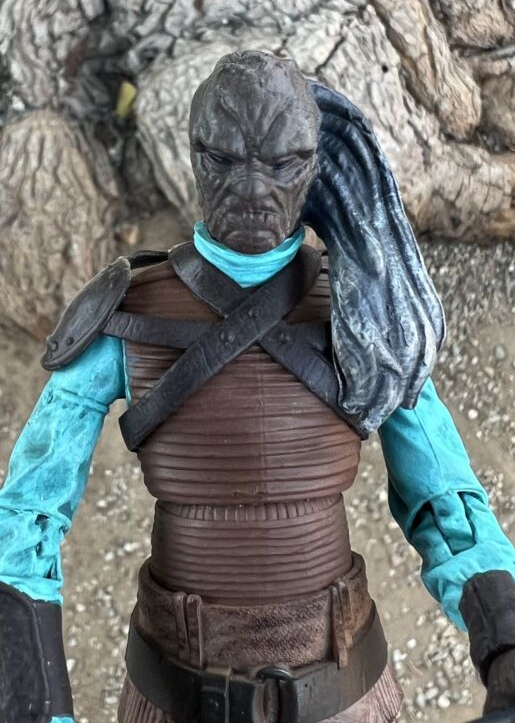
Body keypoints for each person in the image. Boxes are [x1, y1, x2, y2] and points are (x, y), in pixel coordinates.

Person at [1, 51, 514, 723]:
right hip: (174, 693)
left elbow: (445, 502)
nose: (251, 189)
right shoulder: (123, 313)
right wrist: (31, 701)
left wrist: (506, 647)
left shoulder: (368, 316)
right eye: (224, 160)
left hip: (346, 692)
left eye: (281, 163)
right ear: (194, 156)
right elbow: (27, 517)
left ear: (313, 163)